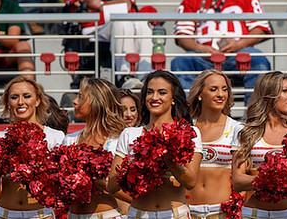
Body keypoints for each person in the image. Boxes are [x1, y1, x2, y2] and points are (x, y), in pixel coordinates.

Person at [108, 70, 203, 219]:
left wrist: (167, 156)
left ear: (173, 98)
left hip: (175, 215)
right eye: (150, 92)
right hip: (137, 214)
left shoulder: (189, 132)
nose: (154, 97)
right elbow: (112, 186)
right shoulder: (129, 134)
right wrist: (134, 165)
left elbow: (190, 181)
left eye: (162, 92)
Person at [0, 76, 65, 219]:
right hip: (6, 214)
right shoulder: (0, 137)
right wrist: (4, 162)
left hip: (42, 214)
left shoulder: (56, 136)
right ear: (8, 103)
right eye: (14, 97)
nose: (21, 102)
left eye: (27, 96)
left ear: (37, 100)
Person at [231, 71, 287, 219]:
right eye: (285, 91)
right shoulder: (245, 131)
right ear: (268, 94)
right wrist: (269, 179)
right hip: (254, 214)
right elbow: (238, 181)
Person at [171, 0, 272, 101]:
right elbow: (182, 36)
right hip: (202, 58)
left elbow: (260, 28)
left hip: (238, 57)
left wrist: (238, 44)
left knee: (256, 58)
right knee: (181, 61)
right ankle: (188, 114)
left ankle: (254, 114)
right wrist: (200, 48)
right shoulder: (190, 1)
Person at [61, 77, 129, 218]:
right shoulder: (70, 140)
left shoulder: (118, 142)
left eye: (81, 97)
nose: (74, 101)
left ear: (96, 102)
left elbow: (135, 197)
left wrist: (106, 186)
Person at [185, 69, 241, 218]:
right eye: (213, 89)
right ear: (199, 94)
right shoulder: (186, 129)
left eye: (224, 89)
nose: (220, 95)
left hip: (222, 212)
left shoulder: (237, 128)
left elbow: (242, 176)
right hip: (187, 212)